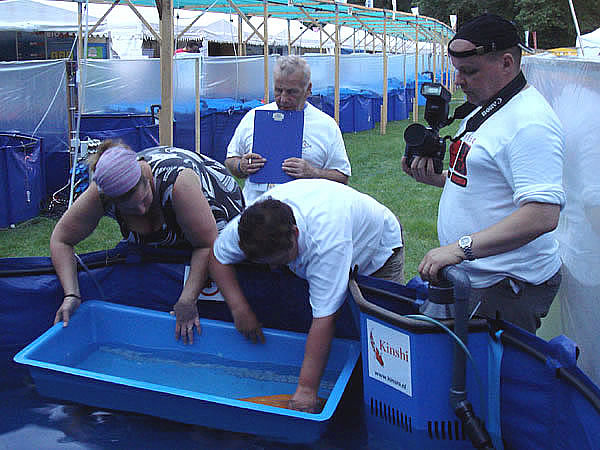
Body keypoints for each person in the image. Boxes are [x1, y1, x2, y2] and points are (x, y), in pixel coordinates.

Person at [402, 14, 565, 333]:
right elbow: (482, 180)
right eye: (457, 70)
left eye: (470, 71)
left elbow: (542, 215)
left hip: (505, 287)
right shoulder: (487, 106)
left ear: (506, 63)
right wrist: (439, 178)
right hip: (477, 279)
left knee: (488, 379)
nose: (459, 80)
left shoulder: (530, 123)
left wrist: (460, 248)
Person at [210, 179, 404, 412]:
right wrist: (239, 309)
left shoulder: (326, 243)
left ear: (295, 233)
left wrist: (306, 390)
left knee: (383, 342)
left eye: (280, 261)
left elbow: (325, 320)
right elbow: (218, 257)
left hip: (377, 252)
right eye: (267, 263)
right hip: (327, 234)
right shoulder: (250, 227)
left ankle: (383, 404)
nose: (273, 269)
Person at [51, 141, 245, 344]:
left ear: (146, 177)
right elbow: (61, 240)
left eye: (144, 201)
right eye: (131, 210)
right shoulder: (101, 192)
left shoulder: (179, 183)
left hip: (213, 202)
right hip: (170, 221)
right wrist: (71, 294)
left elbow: (207, 245)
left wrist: (188, 299)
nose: (142, 210)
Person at [225, 55, 351, 204]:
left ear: (308, 89)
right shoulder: (253, 118)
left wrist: (313, 173)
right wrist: (241, 166)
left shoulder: (326, 126)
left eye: (292, 92)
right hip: (256, 213)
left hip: (304, 215)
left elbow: (342, 177)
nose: (283, 99)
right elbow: (231, 160)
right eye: (278, 90)